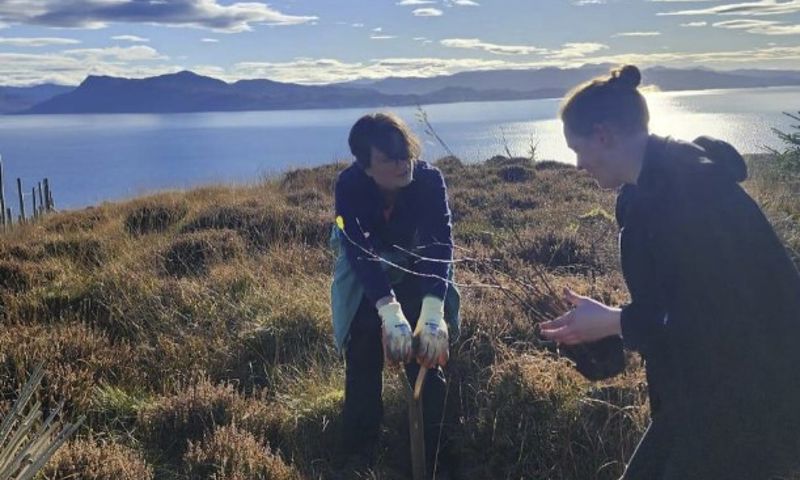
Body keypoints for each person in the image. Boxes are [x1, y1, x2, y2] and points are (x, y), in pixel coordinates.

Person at [540, 65, 800, 480]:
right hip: (701, 396)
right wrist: (610, 324)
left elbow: (722, 319)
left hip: (755, 401)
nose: (577, 164)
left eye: (577, 148)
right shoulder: (641, 191)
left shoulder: (695, 192)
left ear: (604, 135)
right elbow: (680, 300)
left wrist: (615, 321)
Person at [330, 112, 460, 478]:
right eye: (390, 159)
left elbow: (439, 243)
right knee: (363, 350)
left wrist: (433, 312)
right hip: (369, 272)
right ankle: (359, 453)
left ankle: (435, 454)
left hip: (418, 267)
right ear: (366, 166)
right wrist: (388, 311)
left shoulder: (429, 181)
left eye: (405, 154)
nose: (404, 165)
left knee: (427, 355)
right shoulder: (349, 186)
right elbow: (358, 250)